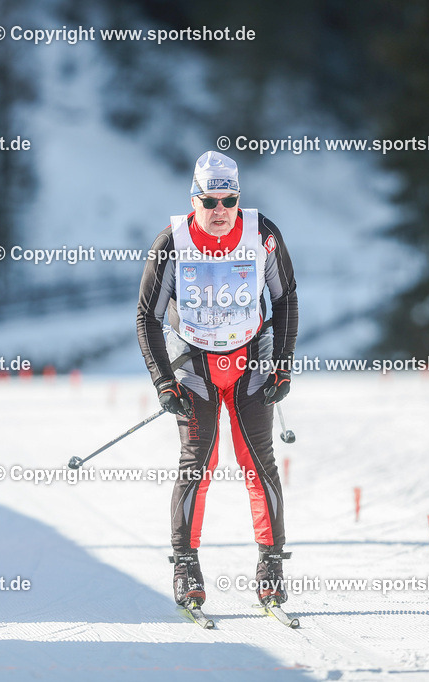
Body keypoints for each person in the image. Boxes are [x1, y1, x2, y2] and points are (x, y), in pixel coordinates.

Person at [136, 151, 298, 611]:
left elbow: (285, 298)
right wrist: (163, 381)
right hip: (194, 366)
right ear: (195, 199)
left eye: (230, 199)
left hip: (249, 363)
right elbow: (146, 315)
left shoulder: (261, 233)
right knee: (198, 464)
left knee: (258, 462)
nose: (221, 210)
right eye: (211, 201)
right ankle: (185, 566)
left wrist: (283, 363)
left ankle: (271, 565)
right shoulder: (172, 241)